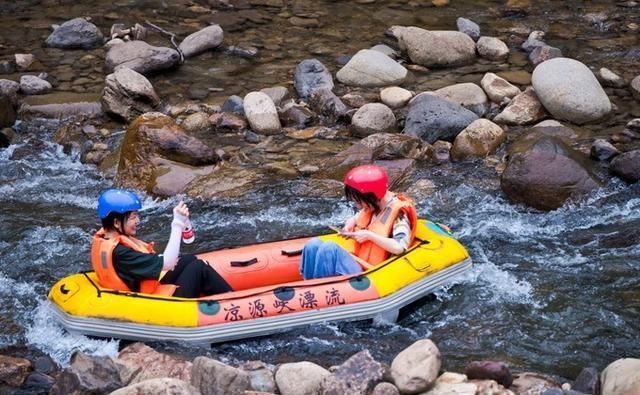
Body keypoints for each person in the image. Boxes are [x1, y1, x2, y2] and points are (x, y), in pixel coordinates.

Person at [91, 189, 232, 298]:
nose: (138, 221)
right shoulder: (121, 253)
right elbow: (168, 262)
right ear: (116, 222)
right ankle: (232, 300)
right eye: (133, 217)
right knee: (199, 267)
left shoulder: (106, 238)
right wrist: (176, 224)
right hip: (156, 304)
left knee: (189, 259)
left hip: (143, 293)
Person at [300, 164, 417, 280]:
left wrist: (369, 235)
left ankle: (321, 289)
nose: (357, 206)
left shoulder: (399, 214)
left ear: (373, 197)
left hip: (373, 272)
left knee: (329, 248)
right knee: (313, 244)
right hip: (359, 259)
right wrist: (350, 222)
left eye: (359, 202)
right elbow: (359, 217)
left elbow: (399, 247)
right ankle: (309, 287)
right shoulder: (374, 204)